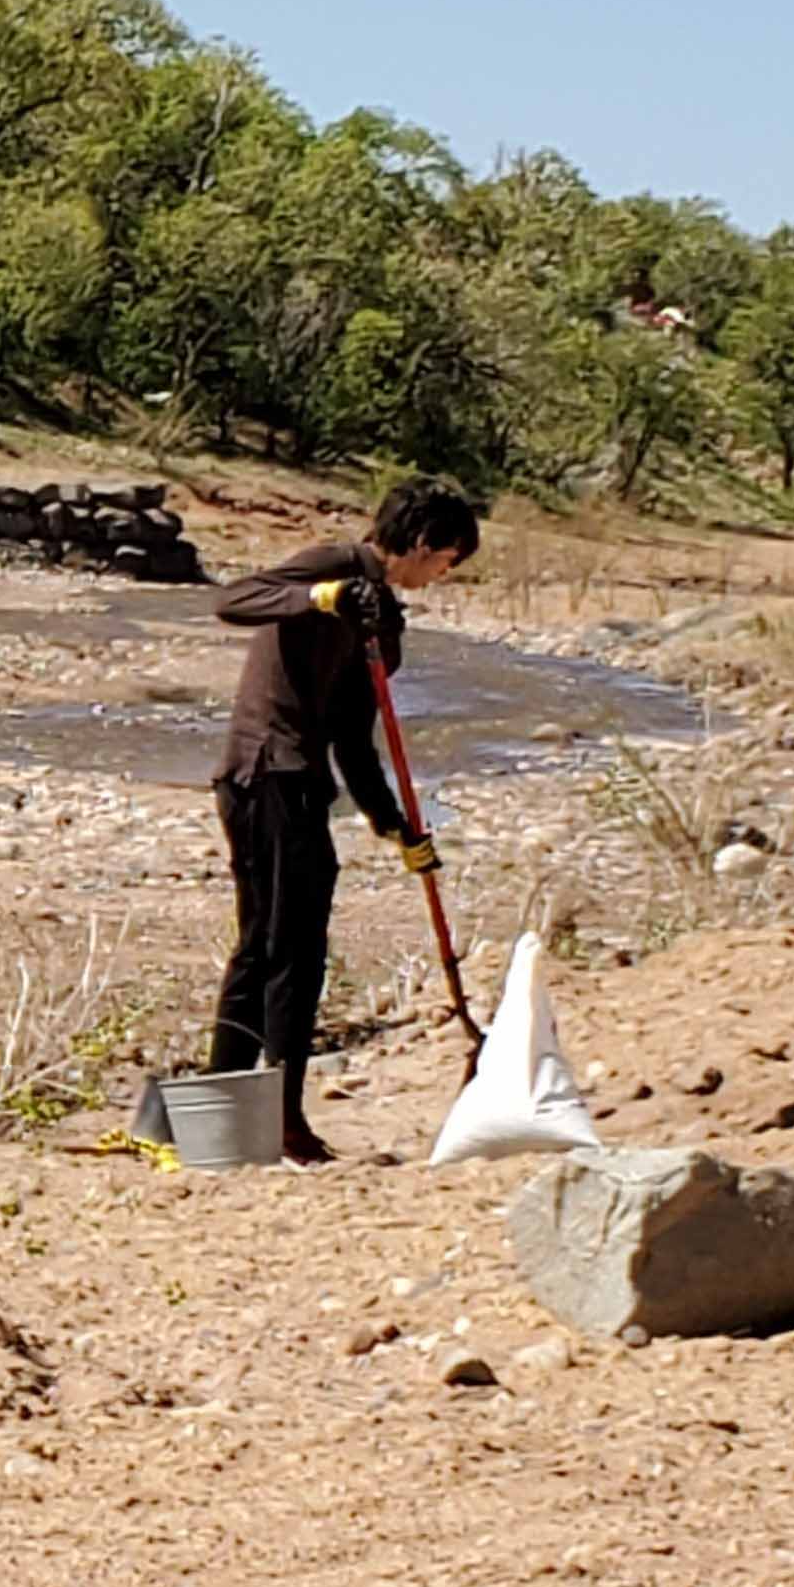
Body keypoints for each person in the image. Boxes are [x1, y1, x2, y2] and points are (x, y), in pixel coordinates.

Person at [201, 477, 484, 1164]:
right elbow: (232, 600)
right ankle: (274, 1120)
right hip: (265, 772)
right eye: (446, 562)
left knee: (273, 946)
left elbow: (355, 739)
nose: (442, 576)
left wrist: (394, 828)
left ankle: (220, 1117)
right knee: (285, 953)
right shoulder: (332, 565)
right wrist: (317, 599)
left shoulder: (382, 620)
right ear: (421, 545)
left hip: (296, 780)